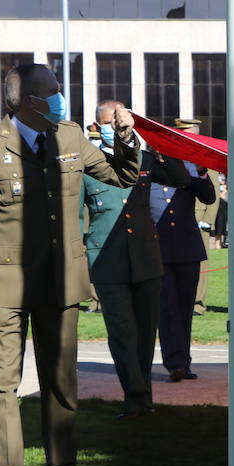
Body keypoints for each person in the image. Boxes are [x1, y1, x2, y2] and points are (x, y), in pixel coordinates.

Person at [0, 64, 140, 466]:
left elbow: (121, 176)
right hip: (3, 282)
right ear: (27, 101)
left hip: (61, 280)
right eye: (53, 92)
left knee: (60, 383)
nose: (60, 98)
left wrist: (128, 138)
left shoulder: (71, 137)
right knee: (4, 385)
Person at [82, 101, 193, 418]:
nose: (114, 127)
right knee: (122, 334)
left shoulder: (143, 158)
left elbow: (180, 179)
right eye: (108, 122)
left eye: (119, 121)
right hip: (106, 261)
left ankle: (144, 399)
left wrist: (160, 142)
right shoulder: (87, 163)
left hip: (145, 257)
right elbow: (76, 215)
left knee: (145, 334)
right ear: (96, 125)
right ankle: (135, 398)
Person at [153, 119, 216, 383]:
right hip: (158, 248)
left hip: (187, 248)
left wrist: (201, 171)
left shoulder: (189, 169)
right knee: (167, 309)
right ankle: (175, 364)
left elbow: (209, 197)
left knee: (184, 307)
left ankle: (184, 361)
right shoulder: (148, 168)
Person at [175, 119, 222, 315]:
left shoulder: (204, 159)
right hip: (180, 218)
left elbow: (215, 192)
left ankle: (197, 303)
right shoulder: (178, 158)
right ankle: (182, 299)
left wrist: (208, 221)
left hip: (199, 220)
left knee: (200, 263)